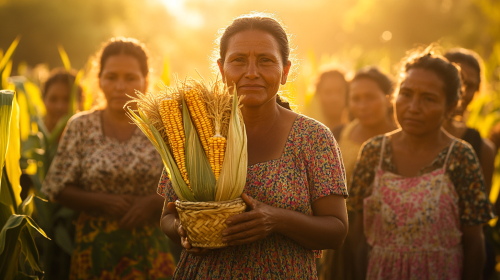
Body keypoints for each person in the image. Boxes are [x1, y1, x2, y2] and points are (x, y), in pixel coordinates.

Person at [158, 13, 348, 279]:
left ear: (285, 72)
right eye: (238, 60)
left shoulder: (313, 138)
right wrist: (183, 229)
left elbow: (337, 231)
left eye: (265, 61)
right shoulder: (195, 132)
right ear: (222, 70)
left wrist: (276, 220)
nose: (251, 73)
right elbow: (167, 215)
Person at [350, 48, 494, 280]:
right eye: (406, 94)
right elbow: (356, 236)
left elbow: (475, 244)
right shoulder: (373, 152)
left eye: (428, 99)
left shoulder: (460, 156)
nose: (413, 107)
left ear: (450, 106)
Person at [42, 37, 176, 280]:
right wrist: (103, 202)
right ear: (99, 79)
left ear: (146, 81)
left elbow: (183, 185)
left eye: (130, 77)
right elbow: (56, 187)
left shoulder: (162, 127)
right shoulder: (81, 126)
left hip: (149, 245)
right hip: (96, 248)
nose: (120, 86)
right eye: (112, 77)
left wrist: (151, 203)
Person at [319, 67, 397, 280]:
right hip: (342, 233)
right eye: (356, 98)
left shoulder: (400, 141)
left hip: (387, 237)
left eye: (370, 97)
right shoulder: (337, 135)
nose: (362, 105)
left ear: (389, 98)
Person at [443, 49, 496, 194]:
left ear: (478, 91)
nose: (462, 93)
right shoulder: (403, 136)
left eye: (470, 86)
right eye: (456, 82)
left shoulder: (482, 149)